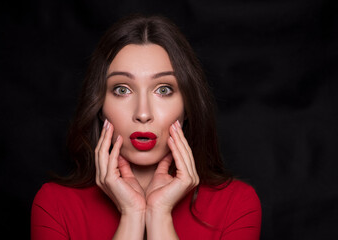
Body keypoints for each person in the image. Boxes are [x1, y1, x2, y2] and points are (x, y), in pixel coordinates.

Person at [31, 14, 261, 240]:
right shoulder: (54, 205)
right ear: (100, 105)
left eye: (163, 90)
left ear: (187, 106)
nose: (143, 113)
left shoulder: (237, 205)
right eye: (122, 89)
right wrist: (132, 215)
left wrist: (159, 215)